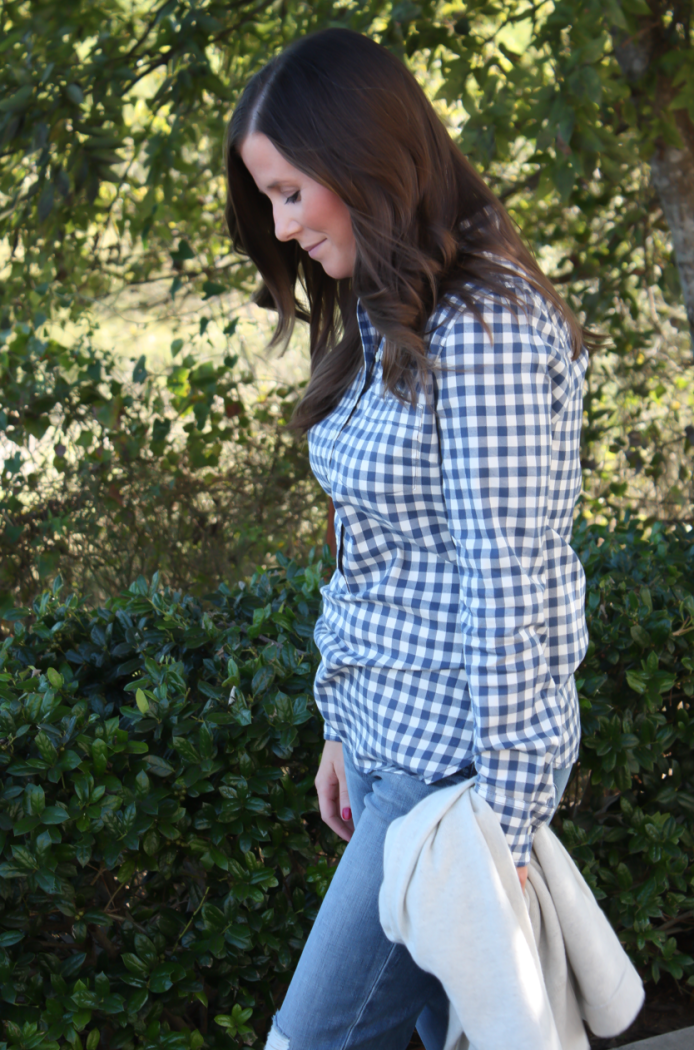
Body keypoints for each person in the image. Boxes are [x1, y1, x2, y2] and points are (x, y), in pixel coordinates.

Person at [224, 27, 593, 1050]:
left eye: (292, 190)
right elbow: (378, 558)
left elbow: (509, 579)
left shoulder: (486, 328)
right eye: (269, 200)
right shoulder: (398, 316)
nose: (283, 225)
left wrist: (506, 821)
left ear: (363, 160)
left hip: (452, 791)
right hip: (396, 757)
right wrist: (345, 725)